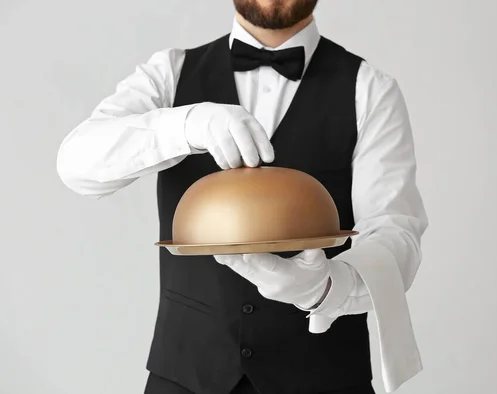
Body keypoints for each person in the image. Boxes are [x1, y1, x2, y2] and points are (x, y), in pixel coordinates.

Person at [56, 1, 428, 393]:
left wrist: (325, 287)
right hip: (186, 377)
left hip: (326, 378)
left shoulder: (370, 89)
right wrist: (186, 125)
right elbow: (77, 165)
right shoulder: (169, 73)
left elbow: (395, 234)